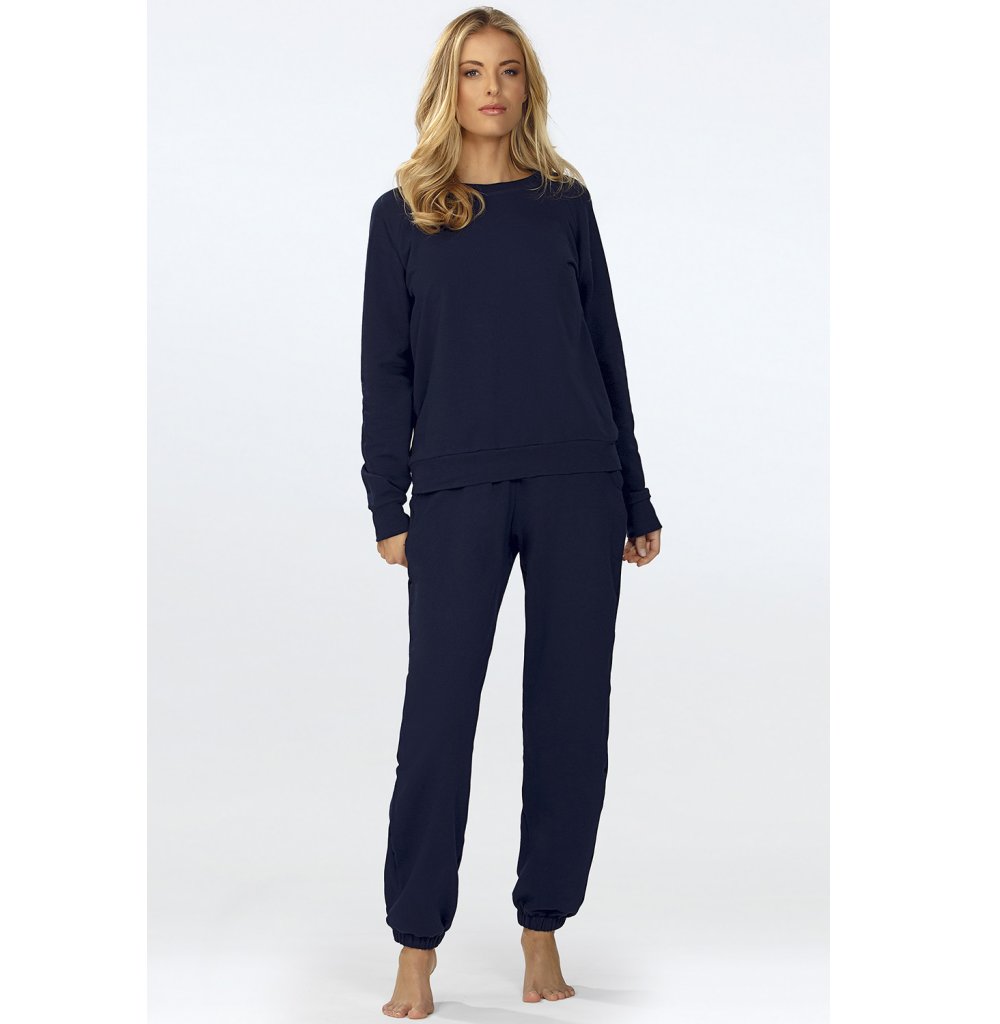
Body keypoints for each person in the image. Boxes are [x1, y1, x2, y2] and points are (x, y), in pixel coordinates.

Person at [359, 8, 663, 1019]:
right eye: (472, 72)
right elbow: (386, 368)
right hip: (455, 489)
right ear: (446, 88)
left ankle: (543, 924)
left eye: (508, 72)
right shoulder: (403, 215)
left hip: (577, 480)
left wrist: (633, 491)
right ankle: (416, 943)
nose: (490, 89)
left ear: (527, 87)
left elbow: (605, 353)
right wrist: (386, 501)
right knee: (438, 719)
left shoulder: (564, 205)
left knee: (570, 713)